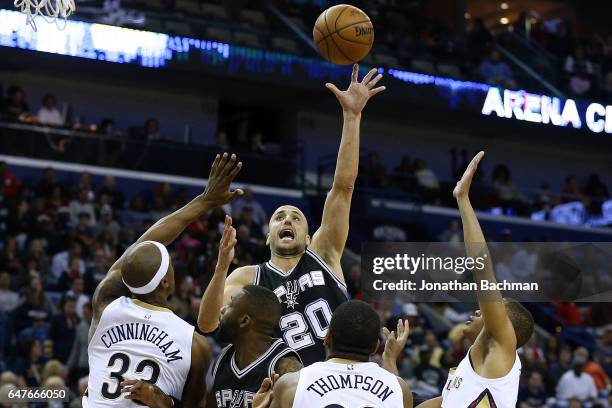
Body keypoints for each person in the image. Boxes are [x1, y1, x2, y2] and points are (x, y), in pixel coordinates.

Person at [198, 64, 386, 366]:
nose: (287, 220)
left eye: (296, 217)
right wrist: (221, 269)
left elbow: (342, 188)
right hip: (281, 389)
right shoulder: (248, 277)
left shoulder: (324, 252)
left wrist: (352, 116)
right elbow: (207, 325)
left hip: (338, 379)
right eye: (280, 217)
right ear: (267, 234)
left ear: (310, 237)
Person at [85, 153, 243, 407]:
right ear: (166, 283)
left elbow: (140, 247)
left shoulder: (105, 304)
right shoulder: (195, 345)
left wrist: (204, 202)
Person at [418, 152, 535, 408]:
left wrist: (463, 200)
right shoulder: (475, 367)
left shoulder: (502, 346)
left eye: (495, 306)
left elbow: (481, 269)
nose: (481, 308)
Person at [199, 216, 302, 407]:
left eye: (229, 306)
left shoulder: (285, 367)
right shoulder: (223, 358)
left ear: (245, 321)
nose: (221, 309)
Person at [252, 301, 413, 408]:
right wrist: (390, 358)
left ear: (327, 337)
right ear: (375, 347)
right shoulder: (400, 389)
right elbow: (393, 392)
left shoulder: (290, 385)